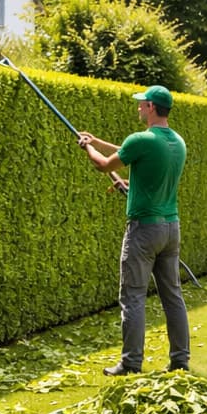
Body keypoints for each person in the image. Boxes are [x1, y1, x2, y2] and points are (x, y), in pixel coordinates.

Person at [77, 85, 190, 376]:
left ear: (151, 106)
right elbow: (139, 157)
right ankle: (180, 361)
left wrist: (87, 146)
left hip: (144, 231)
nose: (138, 107)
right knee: (172, 296)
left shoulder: (141, 140)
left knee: (133, 296)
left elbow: (104, 165)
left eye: (142, 104)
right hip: (170, 228)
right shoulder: (177, 141)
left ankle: (130, 364)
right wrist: (100, 142)